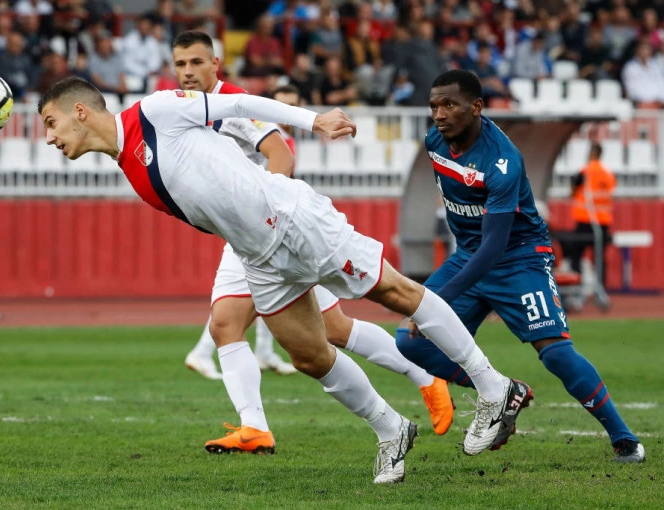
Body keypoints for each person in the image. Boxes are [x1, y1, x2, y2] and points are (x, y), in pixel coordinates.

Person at [38, 74, 533, 483]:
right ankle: (391, 429)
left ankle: (493, 387)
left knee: (393, 290)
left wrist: (314, 120)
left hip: (292, 220)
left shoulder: (154, 111)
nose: (49, 137)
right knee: (309, 356)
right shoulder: (129, 167)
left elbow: (239, 104)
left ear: (80, 111)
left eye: (51, 122)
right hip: (258, 257)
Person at [172, 32, 454, 453]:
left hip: (273, 231)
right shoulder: (185, 111)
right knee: (235, 325)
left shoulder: (232, 103)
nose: (188, 72)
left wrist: (262, 214)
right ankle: (255, 427)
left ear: (216, 64)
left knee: (318, 329)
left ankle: (426, 379)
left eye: (196, 62)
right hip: (246, 238)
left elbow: (282, 155)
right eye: (180, 64)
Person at [395, 70, 644, 464]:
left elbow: (494, 247)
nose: (439, 115)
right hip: (469, 254)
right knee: (410, 341)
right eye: (434, 106)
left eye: (449, 105)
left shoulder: (503, 162)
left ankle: (625, 439)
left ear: (476, 107)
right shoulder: (434, 142)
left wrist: (435, 301)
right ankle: (500, 391)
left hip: (519, 258)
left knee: (556, 354)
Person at [566, 143, 616, 285]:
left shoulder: (584, 172)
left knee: (575, 253)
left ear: (592, 153)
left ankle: (576, 284)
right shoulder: (608, 174)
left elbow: (572, 192)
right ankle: (601, 287)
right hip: (603, 221)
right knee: (599, 257)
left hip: (585, 219)